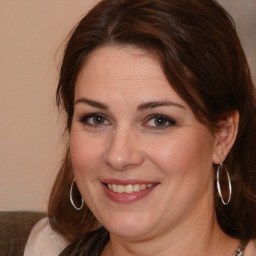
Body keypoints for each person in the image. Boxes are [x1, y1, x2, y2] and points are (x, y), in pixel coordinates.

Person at [24, 0, 256, 255]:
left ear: (223, 136)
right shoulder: (43, 248)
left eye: (159, 120)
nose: (118, 156)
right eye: (97, 119)